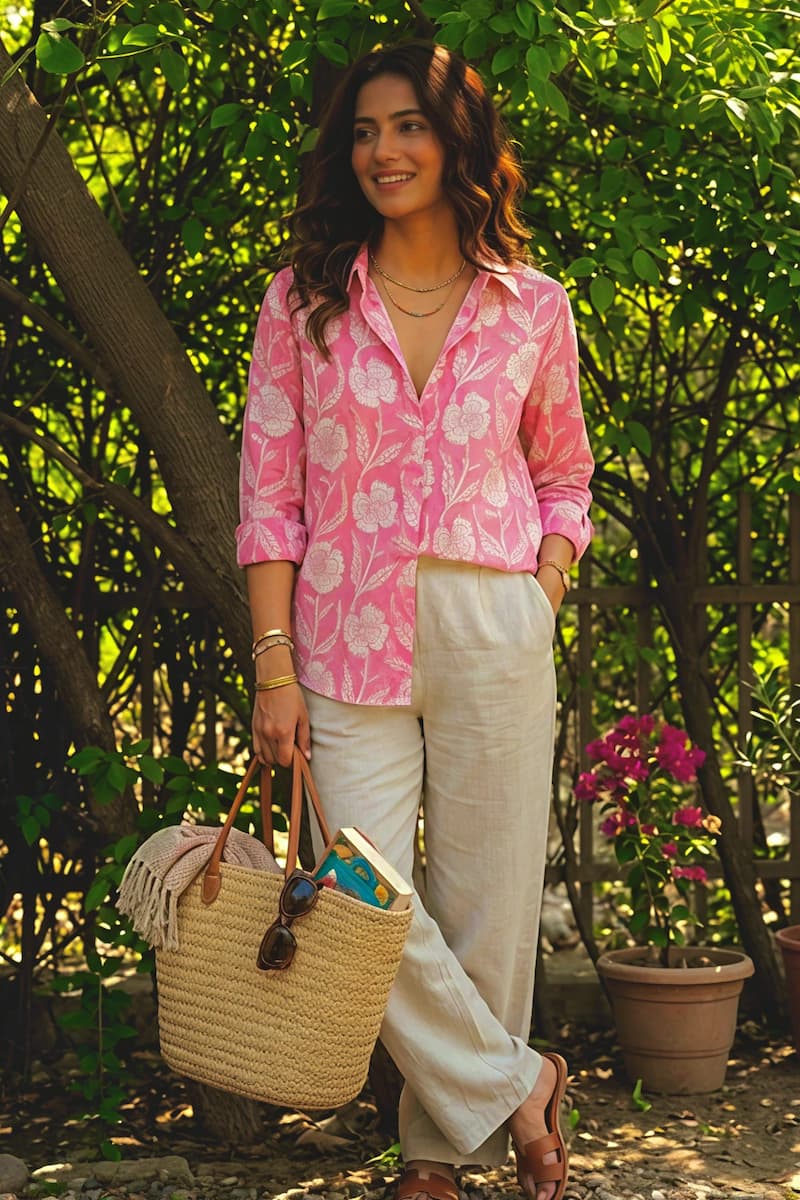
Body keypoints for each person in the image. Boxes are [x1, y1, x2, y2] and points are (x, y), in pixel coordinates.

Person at [236, 40, 593, 1200]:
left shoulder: (531, 306)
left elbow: (565, 474)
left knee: (487, 901)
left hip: (493, 624)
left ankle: (435, 1153)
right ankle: (520, 1086)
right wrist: (274, 666)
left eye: (407, 127)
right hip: (342, 636)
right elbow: (268, 497)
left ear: (455, 143)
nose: (382, 151)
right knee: (357, 896)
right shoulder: (302, 303)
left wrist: (539, 594)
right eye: (363, 131)